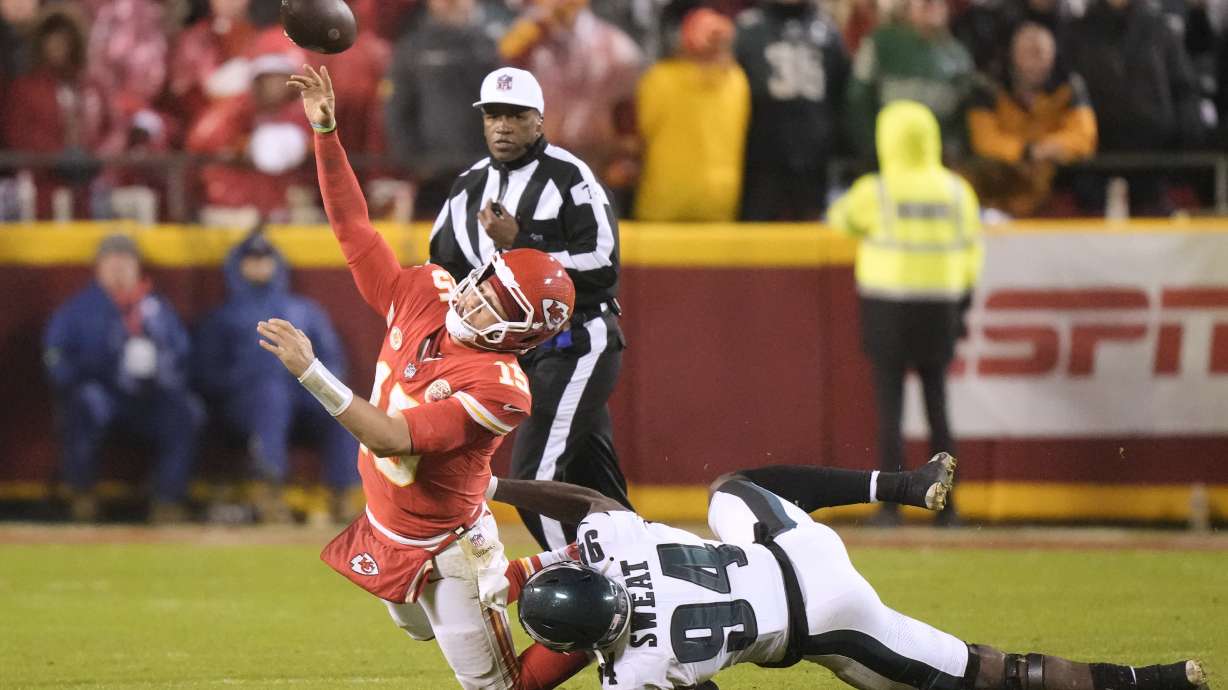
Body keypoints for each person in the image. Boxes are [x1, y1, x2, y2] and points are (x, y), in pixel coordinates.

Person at [267, 64, 589, 689]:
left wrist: (311, 372)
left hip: (448, 549)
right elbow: (354, 230)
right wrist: (327, 132)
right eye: (489, 287)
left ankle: (606, 619)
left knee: (497, 688)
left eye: (501, 308)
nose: (479, 302)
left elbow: (391, 436)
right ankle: (532, 572)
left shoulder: (502, 389)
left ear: (519, 336)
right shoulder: (426, 291)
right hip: (386, 525)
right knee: (413, 628)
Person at [489, 462, 1209, 690]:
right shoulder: (619, 547)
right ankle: (900, 483)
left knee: (985, 674)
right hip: (793, 547)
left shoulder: (636, 669)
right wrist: (496, 485)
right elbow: (588, 502)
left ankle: (1161, 680)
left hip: (829, 619)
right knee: (730, 488)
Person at [428, 66, 632, 552]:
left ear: (539, 119)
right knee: (593, 482)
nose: (502, 126)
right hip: (514, 355)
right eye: (493, 115)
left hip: (577, 342)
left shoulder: (569, 175)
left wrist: (524, 242)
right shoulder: (466, 187)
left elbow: (603, 267)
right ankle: (641, 565)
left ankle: (578, 584)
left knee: (534, 475)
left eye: (515, 115)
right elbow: (442, 271)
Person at [827, 100, 982, 526]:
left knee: (889, 411)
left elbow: (839, 219)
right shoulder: (956, 191)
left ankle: (891, 506)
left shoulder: (876, 191)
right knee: (938, 409)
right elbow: (972, 250)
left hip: (888, 306)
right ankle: (948, 508)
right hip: (941, 307)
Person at [194, 230, 359, 524]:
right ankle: (269, 490)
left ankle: (346, 492)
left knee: (339, 404)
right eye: (251, 260)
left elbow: (333, 363)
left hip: (301, 398)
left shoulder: (305, 310)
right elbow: (206, 374)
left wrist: (313, 383)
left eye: (264, 259)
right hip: (245, 406)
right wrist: (249, 378)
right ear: (238, 265)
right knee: (270, 394)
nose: (259, 266)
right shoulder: (223, 316)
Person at [42, 234, 203, 523]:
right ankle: (82, 495)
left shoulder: (156, 308)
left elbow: (183, 354)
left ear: (137, 267)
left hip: (150, 396)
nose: (118, 269)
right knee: (86, 405)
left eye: (125, 262)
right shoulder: (77, 309)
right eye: (111, 262)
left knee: (186, 411)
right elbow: (56, 356)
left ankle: (167, 499)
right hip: (102, 392)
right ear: (98, 267)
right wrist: (84, 375)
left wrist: (163, 370)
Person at [734, 0, 849, 221]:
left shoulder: (827, 32)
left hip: (813, 164)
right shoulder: (748, 29)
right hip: (760, 163)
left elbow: (840, 96)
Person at [966, 22, 1096, 217]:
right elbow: (984, 140)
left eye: (1041, 52)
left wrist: (1048, 147)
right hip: (999, 189)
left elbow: (1085, 136)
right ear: (1012, 53)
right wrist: (1025, 151)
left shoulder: (1069, 86)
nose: (1036, 60)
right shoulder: (989, 87)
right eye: (1028, 51)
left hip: (1052, 188)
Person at [385, 0, 500, 217]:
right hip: (432, 176)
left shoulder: (489, 47)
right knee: (433, 245)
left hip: (484, 171)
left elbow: (503, 110)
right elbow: (397, 111)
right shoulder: (412, 48)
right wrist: (415, 162)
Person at [633, 8, 750, 222]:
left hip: (671, 204)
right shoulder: (737, 81)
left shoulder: (659, 79)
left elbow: (641, 133)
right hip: (702, 205)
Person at [847, 0, 975, 162]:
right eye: (926, 2)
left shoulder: (959, 56)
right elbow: (858, 99)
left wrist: (951, 151)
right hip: (884, 156)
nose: (933, 5)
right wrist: (871, 146)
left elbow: (962, 117)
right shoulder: (881, 42)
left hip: (936, 161)